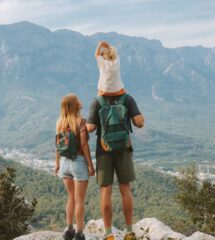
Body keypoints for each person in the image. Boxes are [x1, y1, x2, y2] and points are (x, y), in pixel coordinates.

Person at [87, 42, 145, 240]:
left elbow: (90, 128)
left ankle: (109, 233)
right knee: (125, 189)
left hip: (103, 150)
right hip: (124, 148)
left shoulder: (97, 102)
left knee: (106, 191)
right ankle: (129, 231)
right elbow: (139, 122)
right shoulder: (127, 99)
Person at [55, 94, 96, 240]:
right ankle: (79, 232)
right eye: (77, 100)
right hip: (78, 162)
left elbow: (57, 146)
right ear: (75, 105)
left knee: (70, 197)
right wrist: (90, 165)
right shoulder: (80, 122)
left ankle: (68, 229)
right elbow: (84, 145)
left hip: (64, 163)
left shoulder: (60, 123)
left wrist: (57, 164)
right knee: (79, 200)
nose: (80, 101)